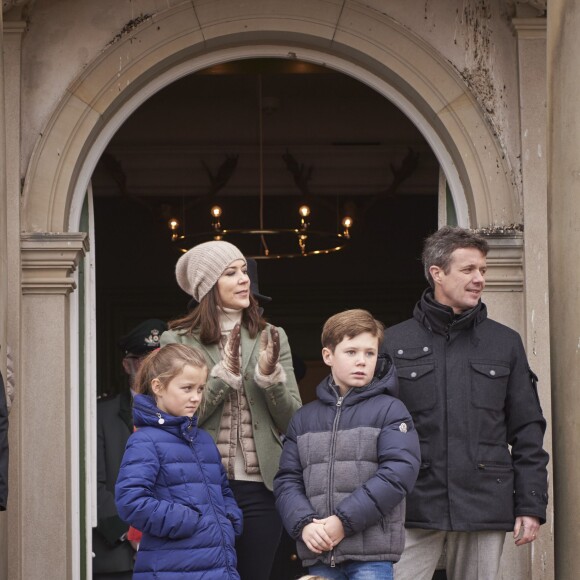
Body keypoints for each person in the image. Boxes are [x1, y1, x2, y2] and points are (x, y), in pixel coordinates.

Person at [382, 226, 549, 580]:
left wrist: (530, 504)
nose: (479, 279)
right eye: (468, 270)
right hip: (412, 503)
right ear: (437, 273)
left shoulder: (505, 343)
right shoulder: (393, 343)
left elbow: (527, 428)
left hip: (484, 502)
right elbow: (373, 428)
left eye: (483, 271)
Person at [160, 240, 302, 580]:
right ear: (208, 286)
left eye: (243, 272)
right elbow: (177, 417)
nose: (244, 280)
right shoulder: (177, 341)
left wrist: (271, 382)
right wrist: (223, 378)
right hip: (200, 485)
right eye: (231, 273)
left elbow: (294, 420)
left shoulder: (272, 335)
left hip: (261, 487)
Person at [274, 309, 421, 580]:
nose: (362, 361)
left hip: (372, 558)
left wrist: (343, 522)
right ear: (328, 356)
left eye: (370, 353)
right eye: (351, 352)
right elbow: (286, 481)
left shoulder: (391, 410)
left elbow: (398, 474)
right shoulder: (304, 418)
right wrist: (304, 525)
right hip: (319, 552)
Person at [115, 342, 243, 579]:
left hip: (218, 567)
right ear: (158, 387)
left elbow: (223, 490)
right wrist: (185, 520)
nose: (196, 397)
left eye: (201, 389)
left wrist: (229, 517)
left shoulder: (203, 440)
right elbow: (130, 501)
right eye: (187, 388)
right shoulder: (145, 440)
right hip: (169, 569)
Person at [93, 318, 167, 580]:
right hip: (117, 554)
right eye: (143, 361)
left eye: (159, 362)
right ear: (127, 365)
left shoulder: (187, 416)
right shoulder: (100, 414)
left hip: (172, 552)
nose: (152, 370)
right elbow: (91, 484)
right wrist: (133, 532)